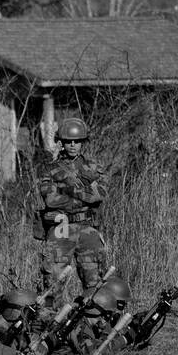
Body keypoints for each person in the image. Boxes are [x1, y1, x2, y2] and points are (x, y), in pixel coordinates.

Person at [36, 117, 109, 295]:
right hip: (61, 229)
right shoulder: (49, 169)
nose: (73, 145)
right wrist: (84, 193)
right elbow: (51, 200)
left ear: (83, 142)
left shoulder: (94, 167)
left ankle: (93, 321)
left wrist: (67, 189)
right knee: (53, 282)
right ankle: (50, 321)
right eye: (68, 141)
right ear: (61, 142)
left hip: (88, 229)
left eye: (77, 141)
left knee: (95, 282)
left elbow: (99, 195)